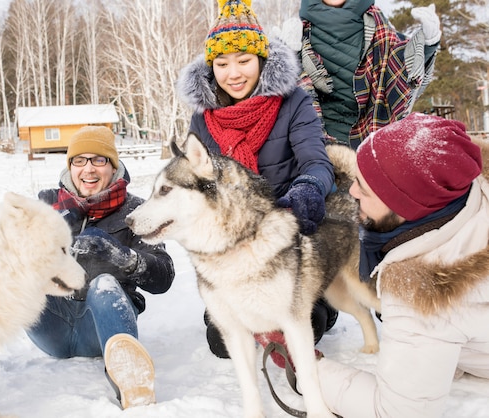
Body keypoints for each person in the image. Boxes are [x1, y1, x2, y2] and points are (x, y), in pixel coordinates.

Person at [176, 0, 337, 365]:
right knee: (221, 341)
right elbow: (196, 179)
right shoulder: (202, 119)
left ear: (262, 60)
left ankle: (319, 301)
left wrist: (308, 188)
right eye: (222, 63)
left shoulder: (294, 102)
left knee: (311, 320)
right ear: (211, 66)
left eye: (244, 60)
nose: (233, 73)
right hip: (235, 242)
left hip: (290, 230)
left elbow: (316, 160)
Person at [316, 112, 489, 417]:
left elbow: (397, 412)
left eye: (364, 189)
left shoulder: (427, 297)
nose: (352, 192)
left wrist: (310, 370)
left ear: (407, 208)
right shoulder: (467, 185)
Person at [26, 125, 175, 409]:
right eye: (79, 161)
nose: (89, 170)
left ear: (113, 165)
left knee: (103, 284)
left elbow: (164, 276)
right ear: (70, 166)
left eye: (99, 160)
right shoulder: (49, 207)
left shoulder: (137, 211)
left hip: (102, 330)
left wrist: (122, 256)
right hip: (53, 328)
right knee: (8, 278)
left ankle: (131, 383)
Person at [279, 0, 441, 149]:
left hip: (373, 144)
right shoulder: (298, 31)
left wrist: (427, 44)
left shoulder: (379, 27)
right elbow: (283, 99)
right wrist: (286, 56)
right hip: (315, 146)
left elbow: (405, 77)